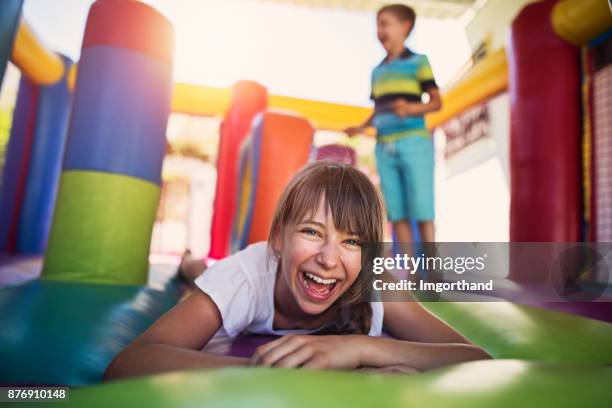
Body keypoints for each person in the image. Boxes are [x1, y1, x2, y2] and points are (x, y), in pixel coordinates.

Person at [103, 162, 488, 380]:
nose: (328, 257)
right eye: (311, 232)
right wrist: (278, 369)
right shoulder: (245, 278)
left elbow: (476, 358)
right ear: (278, 239)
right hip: (227, 273)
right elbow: (127, 364)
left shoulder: (377, 285)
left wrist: (360, 348)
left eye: (352, 242)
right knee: (197, 272)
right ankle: (188, 261)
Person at [345, 4, 442, 244]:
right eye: (377, 25)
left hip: (414, 143)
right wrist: (359, 127)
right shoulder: (377, 71)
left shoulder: (418, 62)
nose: (379, 30)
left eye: (385, 23)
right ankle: (408, 274)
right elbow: (378, 109)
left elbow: (436, 102)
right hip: (384, 146)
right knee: (396, 212)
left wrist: (411, 108)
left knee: (422, 210)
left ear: (405, 27)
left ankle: (431, 273)